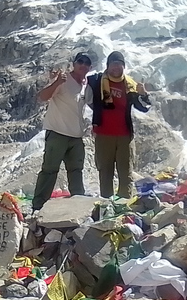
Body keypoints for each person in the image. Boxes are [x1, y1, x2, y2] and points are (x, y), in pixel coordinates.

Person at [31, 52, 93, 212]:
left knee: (76, 171)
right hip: (57, 133)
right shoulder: (63, 79)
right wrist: (56, 82)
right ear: (74, 63)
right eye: (80, 61)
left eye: (87, 63)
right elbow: (42, 97)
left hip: (76, 137)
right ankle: (38, 206)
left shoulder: (86, 86)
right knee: (50, 170)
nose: (83, 65)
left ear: (90, 67)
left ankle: (78, 203)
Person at [88, 51, 151, 199]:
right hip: (104, 135)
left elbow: (143, 107)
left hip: (124, 136)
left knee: (125, 173)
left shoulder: (130, 85)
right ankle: (106, 205)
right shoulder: (97, 81)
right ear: (107, 66)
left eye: (119, 64)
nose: (116, 68)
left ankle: (124, 205)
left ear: (124, 67)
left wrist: (144, 94)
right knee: (105, 173)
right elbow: (88, 99)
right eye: (113, 64)